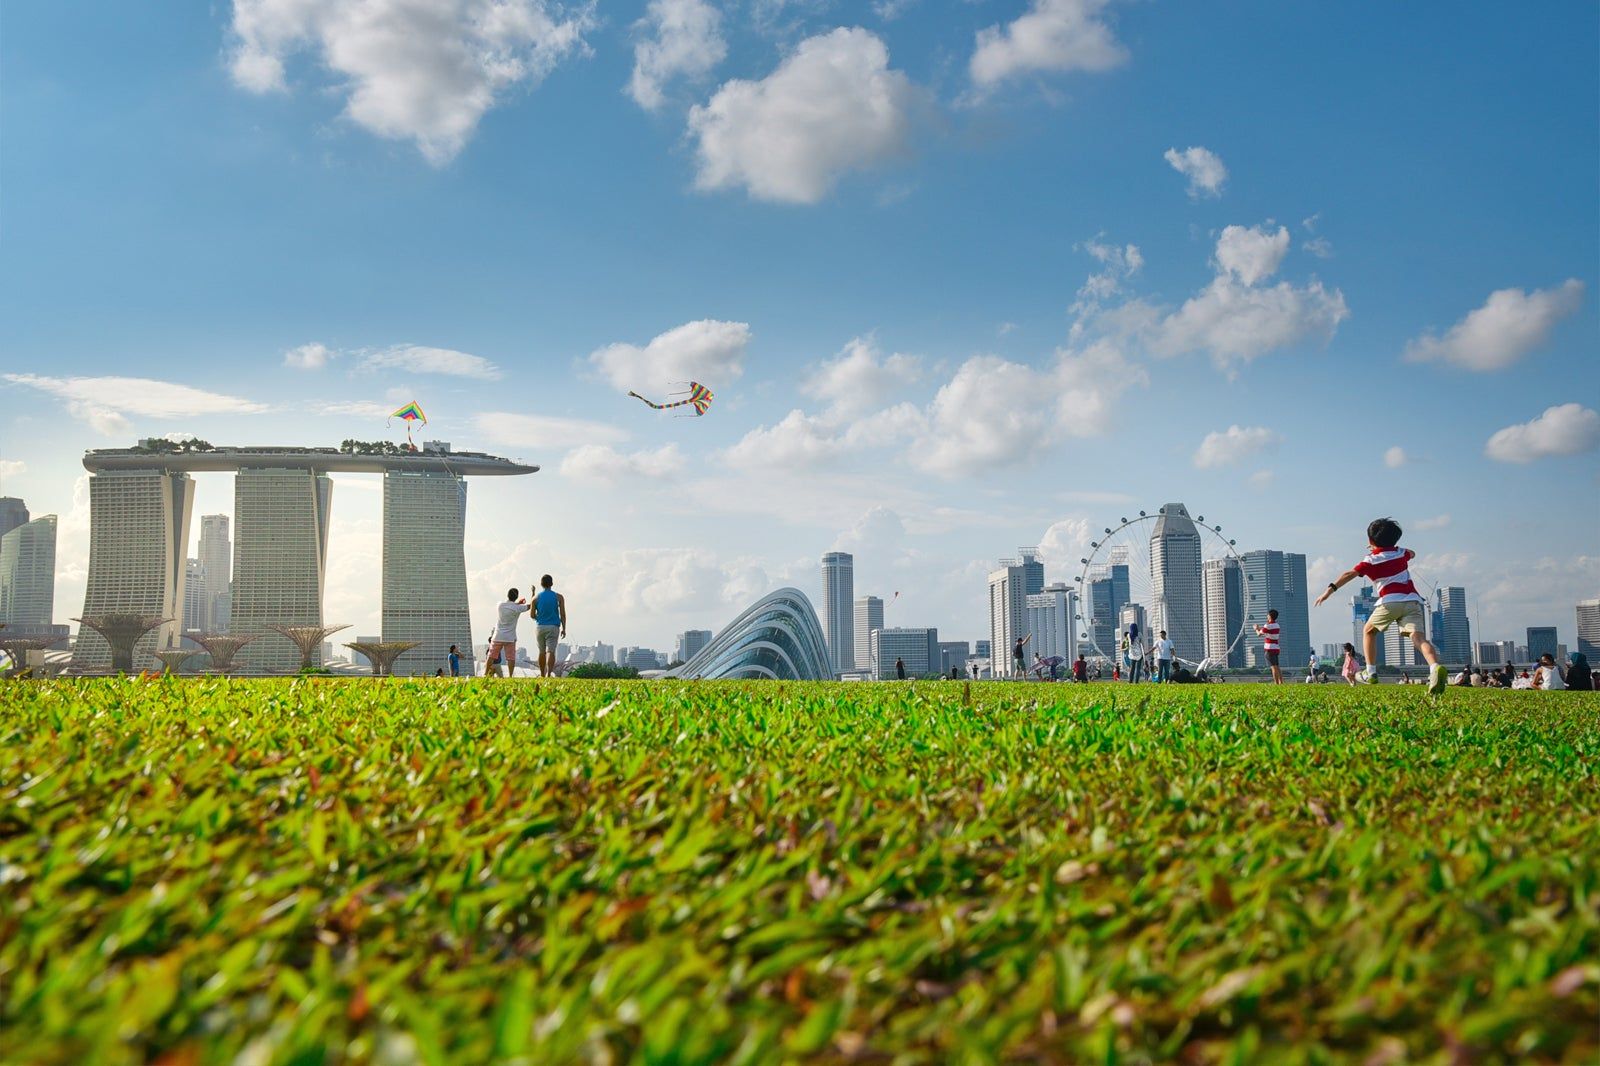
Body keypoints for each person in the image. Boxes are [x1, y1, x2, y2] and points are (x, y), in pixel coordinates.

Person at [1313, 517, 1448, 695]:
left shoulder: (1371, 560)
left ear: (1370, 541)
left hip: (1390, 601)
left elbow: (1349, 574)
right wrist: (1394, 548)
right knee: (1419, 639)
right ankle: (1434, 667)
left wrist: (1329, 590)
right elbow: (1412, 553)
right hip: (1413, 601)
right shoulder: (1401, 553)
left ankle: (1370, 672)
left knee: (1369, 631)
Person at [532, 574, 566, 678]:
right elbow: (563, 614)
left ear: (541, 584)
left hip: (540, 627)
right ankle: (548, 674)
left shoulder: (536, 598)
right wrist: (564, 628)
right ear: (552, 584)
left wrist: (539, 617)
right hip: (553, 627)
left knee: (541, 652)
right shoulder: (559, 597)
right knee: (551, 651)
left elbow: (532, 615)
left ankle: (542, 674)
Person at [488, 588, 528, 677]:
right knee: (511, 658)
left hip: (498, 636)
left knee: (491, 656)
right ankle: (510, 676)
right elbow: (530, 606)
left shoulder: (500, 605)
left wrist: (516, 603)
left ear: (507, 595)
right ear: (516, 597)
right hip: (510, 637)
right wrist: (533, 594)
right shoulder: (518, 608)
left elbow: (509, 606)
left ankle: (485, 673)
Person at [1254, 609, 1284, 684]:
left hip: (1269, 649)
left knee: (1273, 667)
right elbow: (1266, 631)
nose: (1267, 616)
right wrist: (1259, 629)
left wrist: (1256, 629)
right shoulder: (1277, 625)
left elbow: (1259, 634)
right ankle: (1281, 682)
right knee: (1277, 666)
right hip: (1276, 648)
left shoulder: (1267, 625)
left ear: (1270, 616)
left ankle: (1276, 683)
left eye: (1267, 615)